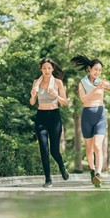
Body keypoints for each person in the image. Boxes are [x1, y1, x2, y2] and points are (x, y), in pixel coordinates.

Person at [71, 54, 110, 187]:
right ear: (89, 69)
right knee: (89, 148)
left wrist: (108, 85)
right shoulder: (82, 83)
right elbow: (83, 100)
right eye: (96, 69)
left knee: (98, 146)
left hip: (100, 116)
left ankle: (98, 174)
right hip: (87, 116)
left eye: (100, 70)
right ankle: (92, 172)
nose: (98, 72)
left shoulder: (101, 82)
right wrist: (95, 89)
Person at [30, 58, 69, 188]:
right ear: (41, 69)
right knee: (43, 147)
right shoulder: (36, 82)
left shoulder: (58, 82)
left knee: (54, 151)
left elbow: (65, 102)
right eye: (44, 68)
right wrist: (33, 95)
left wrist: (56, 95)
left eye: (49, 68)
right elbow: (32, 103)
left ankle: (62, 166)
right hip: (41, 116)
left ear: (52, 69)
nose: (46, 70)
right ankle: (48, 179)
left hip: (54, 117)